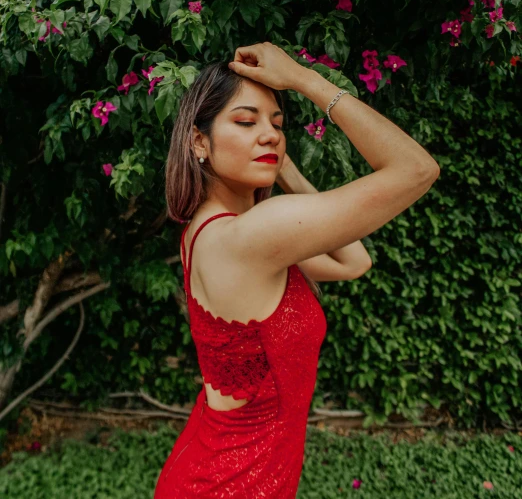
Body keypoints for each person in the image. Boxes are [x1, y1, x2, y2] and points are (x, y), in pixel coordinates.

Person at [154, 42, 440, 498]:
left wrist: (283, 168)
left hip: (224, 466)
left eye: (277, 124)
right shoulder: (252, 237)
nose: (269, 134)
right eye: (246, 122)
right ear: (199, 141)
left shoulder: (211, 231)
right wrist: (305, 79)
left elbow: (354, 261)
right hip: (229, 484)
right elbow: (417, 169)